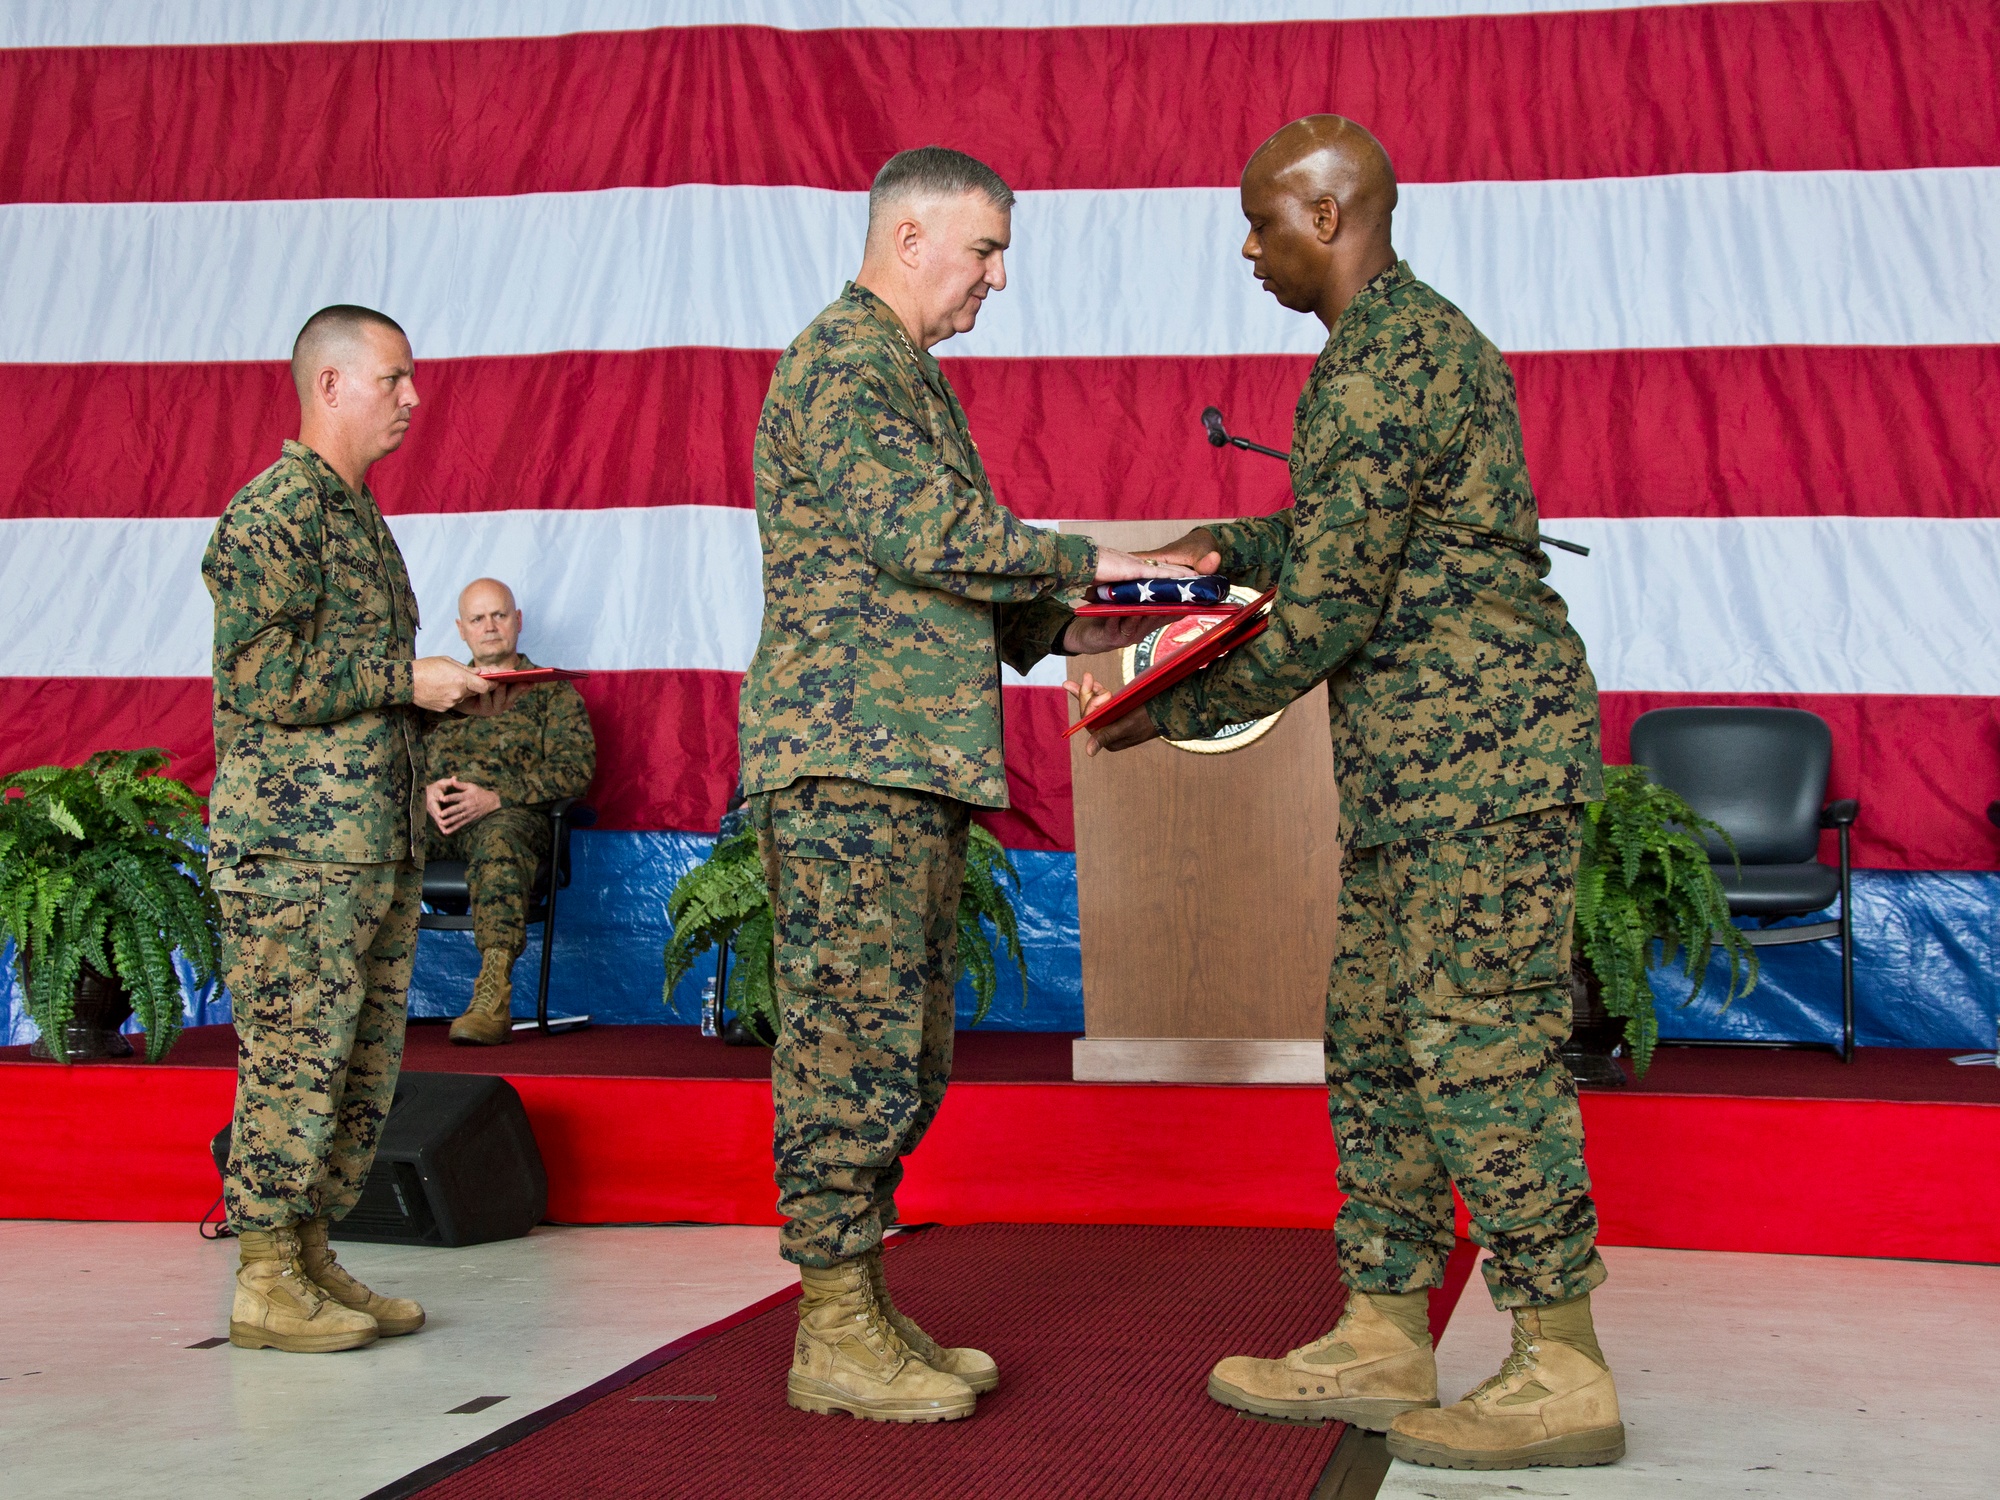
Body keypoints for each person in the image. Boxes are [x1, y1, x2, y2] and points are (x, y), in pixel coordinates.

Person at [1069, 117, 1623, 1472]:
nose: (1249, 252)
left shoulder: (1385, 365)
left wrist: (1148, 707)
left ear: (1327, 218)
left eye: (1263, 225)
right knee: (1375, 1039)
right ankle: (1385, 1324)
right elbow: (1337, 529)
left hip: (1477, 767)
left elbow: (1322, 610)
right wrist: (1208, 547)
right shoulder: (1388, 355)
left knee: (1478, 1044)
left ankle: (1563, 1363)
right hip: (1416, 778)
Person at [739, 145, 1200, 1424]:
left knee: (903, 1044)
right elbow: (918, 535)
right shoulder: (847, 363)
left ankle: (860, 1301)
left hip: (901, 760)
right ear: (906, 241)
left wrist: (1070, 625)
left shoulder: (905, 381)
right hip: (851, 761)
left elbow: (939, 576)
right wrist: (1096, 555)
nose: (998, 277)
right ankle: (829, 1326)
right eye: (984, 249)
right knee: (851, 1044)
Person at [205, 304, 518, 1354]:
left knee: (358, 1067)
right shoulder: (272, 514)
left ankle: (308, 1252)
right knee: (294, 1062)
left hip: (368, 845)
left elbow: (355, 688)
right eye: (393, 378)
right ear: (330, 386)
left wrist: (439, 698)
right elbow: (258, 678)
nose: (412, 397)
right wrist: (405, 678)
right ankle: (260, 1274)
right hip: (294, 853)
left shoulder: (358, 515)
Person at [422, 577, 596, 1045]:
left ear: (518, 621)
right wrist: (423, 793)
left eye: (499, 615)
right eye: (477, 618)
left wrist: (497, 797)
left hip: (514, 821)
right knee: (371, 825)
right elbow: (398, 760)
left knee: (500, 835)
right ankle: (353, 991)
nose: (490, 626)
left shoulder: (550, 693)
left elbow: (575, 770)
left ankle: (492, 997)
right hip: (438, 822)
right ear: (461, 629)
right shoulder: (439, 698)